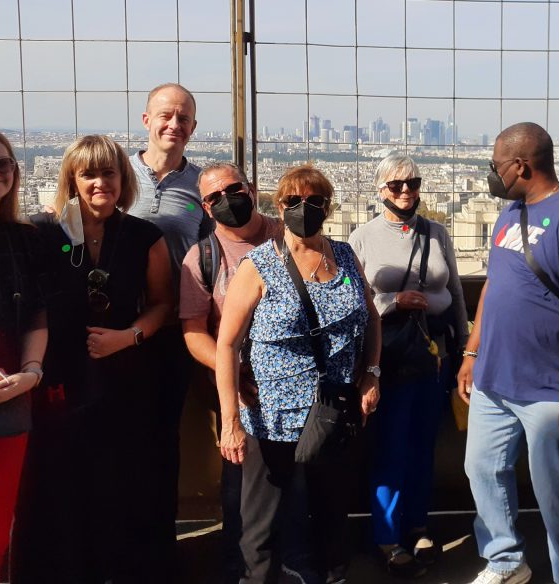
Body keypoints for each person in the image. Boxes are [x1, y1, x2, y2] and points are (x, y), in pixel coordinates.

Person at [456, 122, 559, 584]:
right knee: (481, 469)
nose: (491, 172)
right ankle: (506, 561)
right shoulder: (510, 212)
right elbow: (494, 286)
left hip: (547, 384)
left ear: (521, 165)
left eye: (495, 164)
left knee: (557, 492)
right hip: (493, 377)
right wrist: (471, 352)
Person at [12, 135, 173, 583]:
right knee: (57, 481)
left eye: (109, 173)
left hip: (124, 374)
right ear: (71, 180)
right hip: (57, 375)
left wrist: (129, 336)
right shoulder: (43, 233)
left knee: (117, 480)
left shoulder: (144, 236)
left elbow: (163, 302)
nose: (101, 183)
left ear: (124, 179)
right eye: (89, 174)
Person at [215, 165, 380, 584]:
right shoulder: (258, 266)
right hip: (272, 418)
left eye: (314, 201)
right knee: (262, 525)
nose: (302, 209)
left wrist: (372, 373)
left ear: (328, 206)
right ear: (277, 203)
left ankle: (331, 575)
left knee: (330, 512)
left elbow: (371, 317)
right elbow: (227, 345)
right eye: (292, 201)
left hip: (333, 412)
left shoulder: (344, 256)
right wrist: (231, 421)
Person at [349, 153, 468, 578]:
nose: (406, 191)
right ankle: (386, 535)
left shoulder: (436, 232)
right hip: (389, 357)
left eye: (412, 182)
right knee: (390, 448)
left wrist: (465, 351)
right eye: (396, 185)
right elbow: (354, 301)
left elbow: (453, 287)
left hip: (434, 355)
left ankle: (417, 525)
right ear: (380, 189)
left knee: (422, 446)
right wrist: (393, 302)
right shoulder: (362, 237)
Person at [179, 162, 282, 583]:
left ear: (252, 188)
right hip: (240, 392)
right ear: (204, 208)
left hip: (297, 387)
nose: (227, 201)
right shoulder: (203, 257)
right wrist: (234, 371)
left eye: (233, 190)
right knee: (241, 493)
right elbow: (193, 332)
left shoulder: (288, 234)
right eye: (214, 198)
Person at [126, 82, 207, 569]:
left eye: (183, 118)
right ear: (145, 120)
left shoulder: (202, 185)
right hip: (115, 327)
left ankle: (157, 549)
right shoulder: (117, 175)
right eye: (165, 115)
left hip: (174, 330)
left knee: (161, 437)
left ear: (193, 128)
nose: (173, 125)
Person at [0, 129, 47, 584]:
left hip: (8, 390)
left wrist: (31, 373)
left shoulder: (23, 240)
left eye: (2, 163)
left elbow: (35, 315)